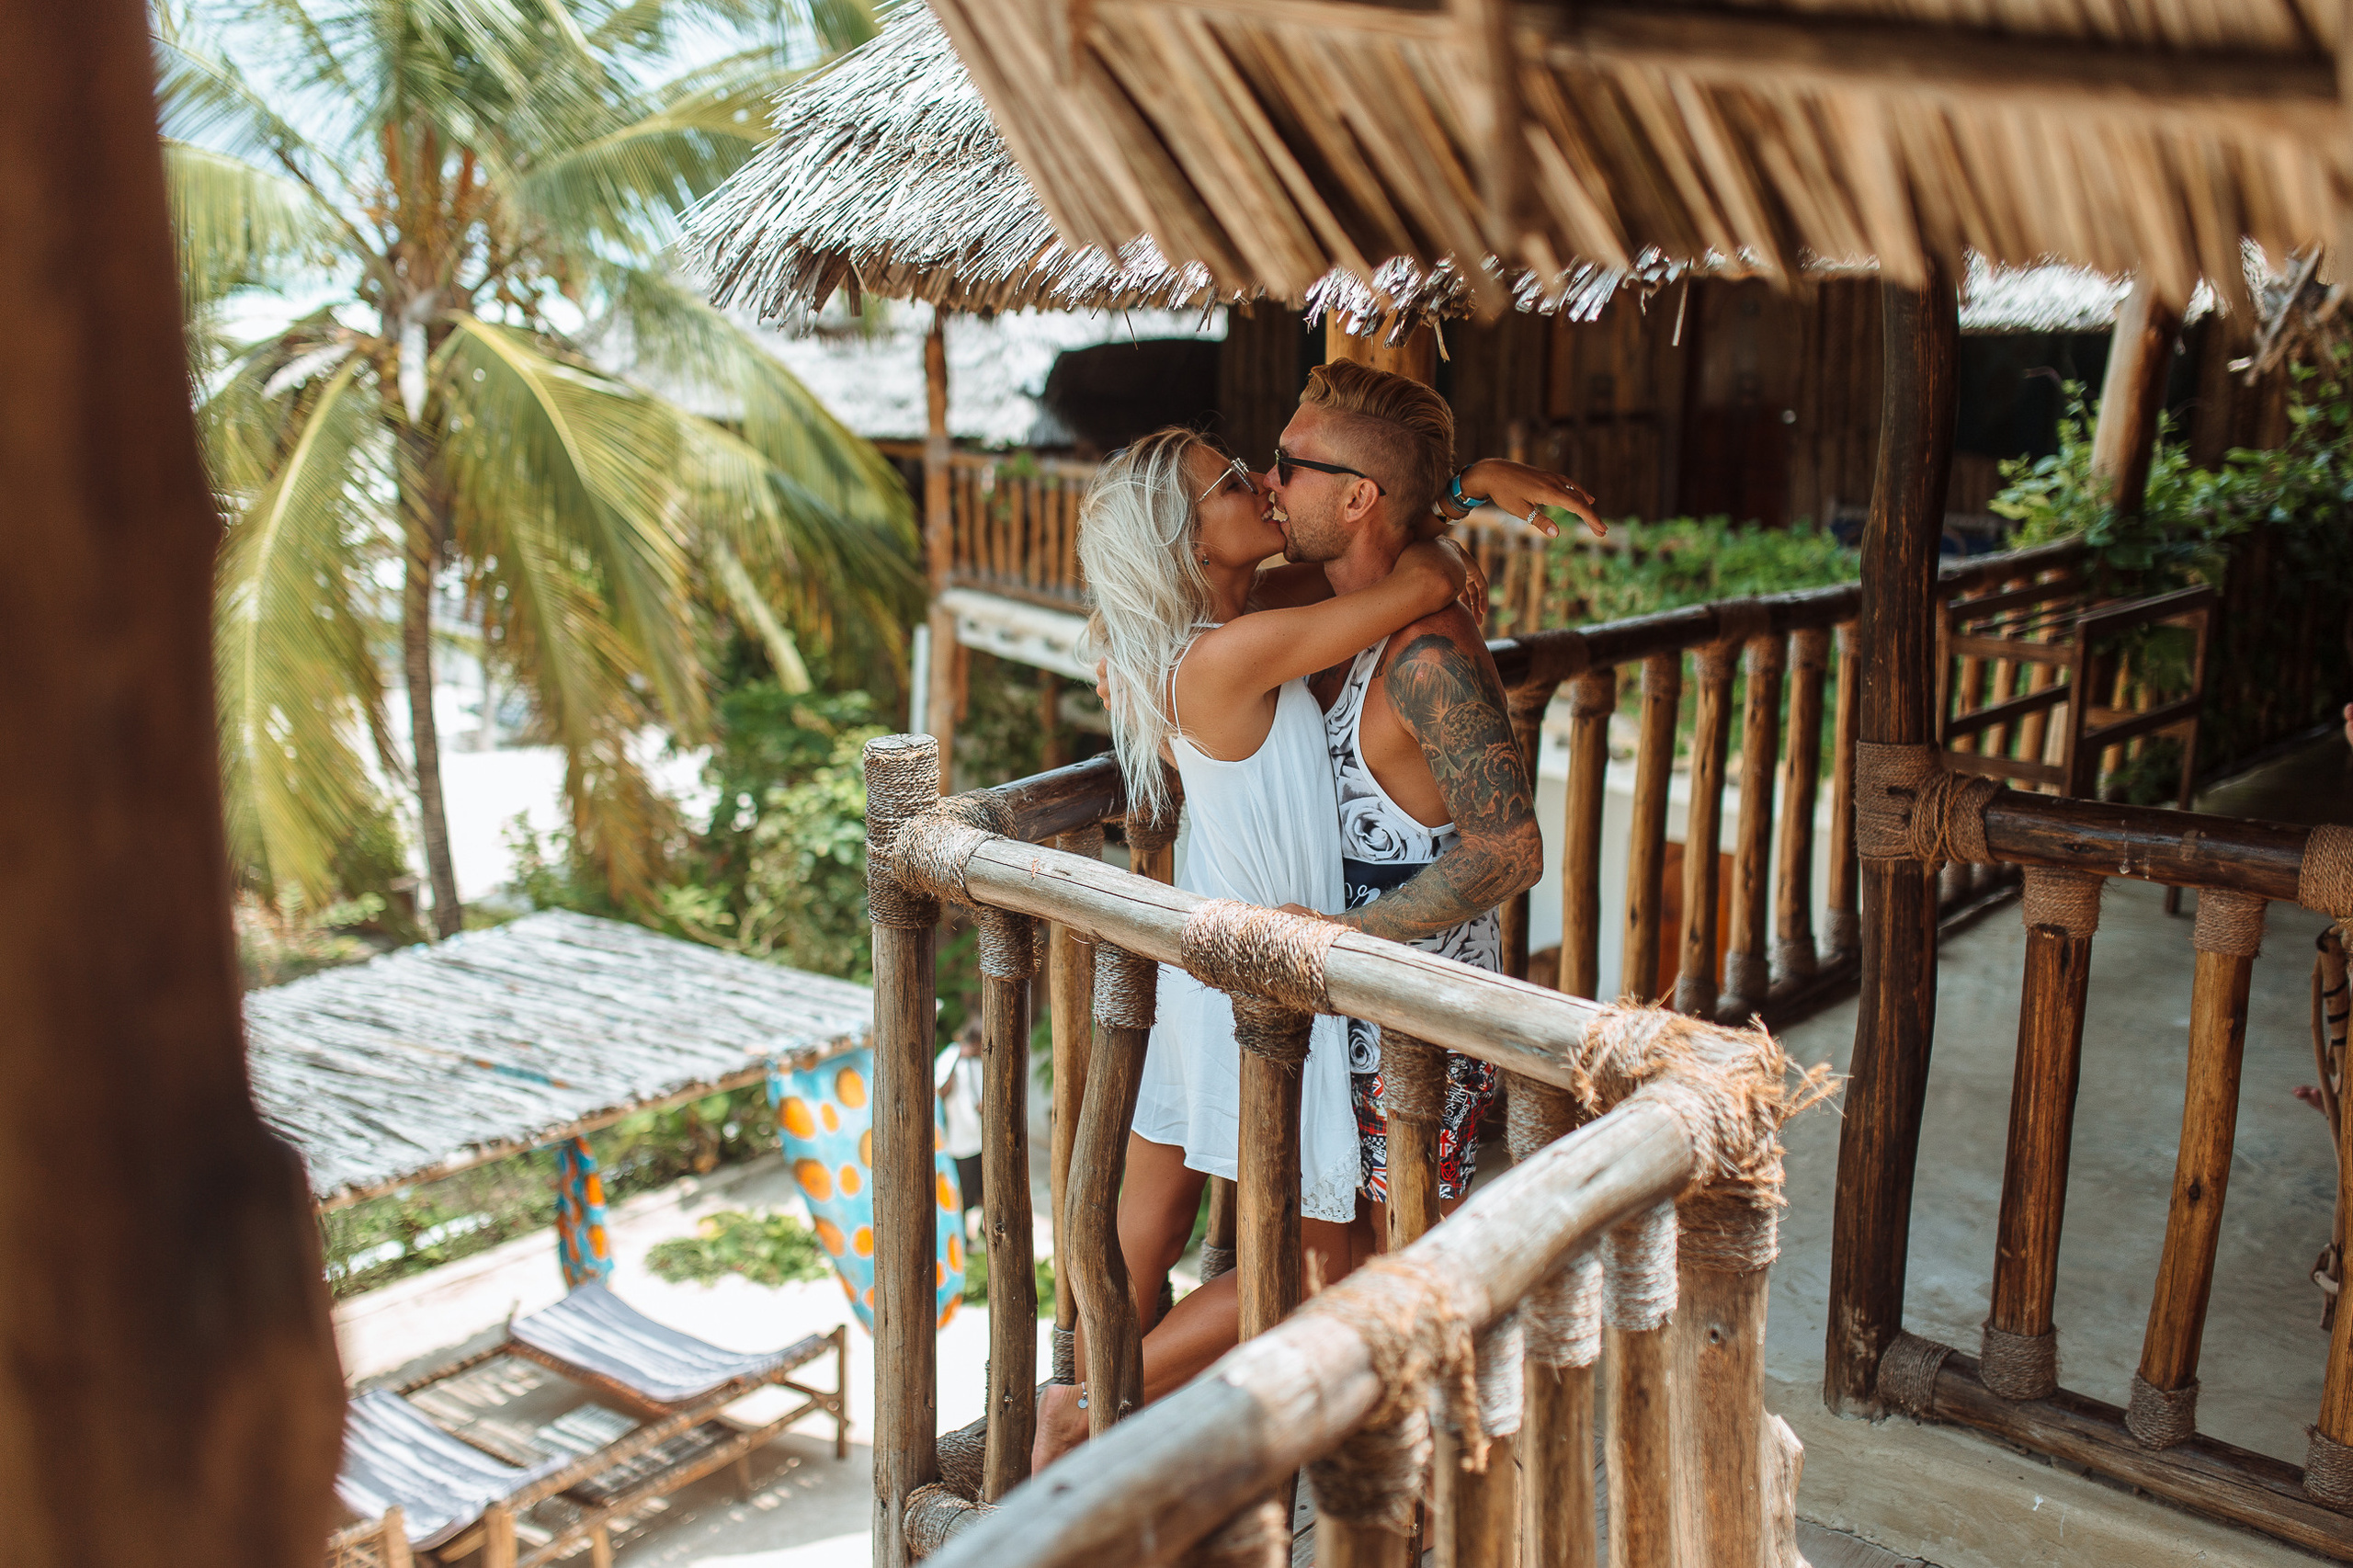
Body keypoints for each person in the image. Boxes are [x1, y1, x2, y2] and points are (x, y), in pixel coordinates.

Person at [1031, 419, 1599, 1471]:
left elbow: (1363, 549)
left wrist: (1461, 482)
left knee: (1148, 1220)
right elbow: (1419, 578)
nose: (1260, 480)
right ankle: (1087, 1410)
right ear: (1187, 539)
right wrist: (1450, 509)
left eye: (1264, 469)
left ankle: (1076, 1432)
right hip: (1261, 965)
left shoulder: (1234, 621)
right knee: (1305, 1265)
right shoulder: (1232, 650)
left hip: (1215, 945)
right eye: (1230, 482)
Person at [937, 1025, 986, 1238]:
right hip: (960, 1142)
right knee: (964, 1194)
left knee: (986, 1191)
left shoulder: (981, 1058)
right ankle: (963, 1237)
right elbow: (941, 1091)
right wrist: (958, 1058)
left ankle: (985, 1229)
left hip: (981, 1138)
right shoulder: (950, 1056)